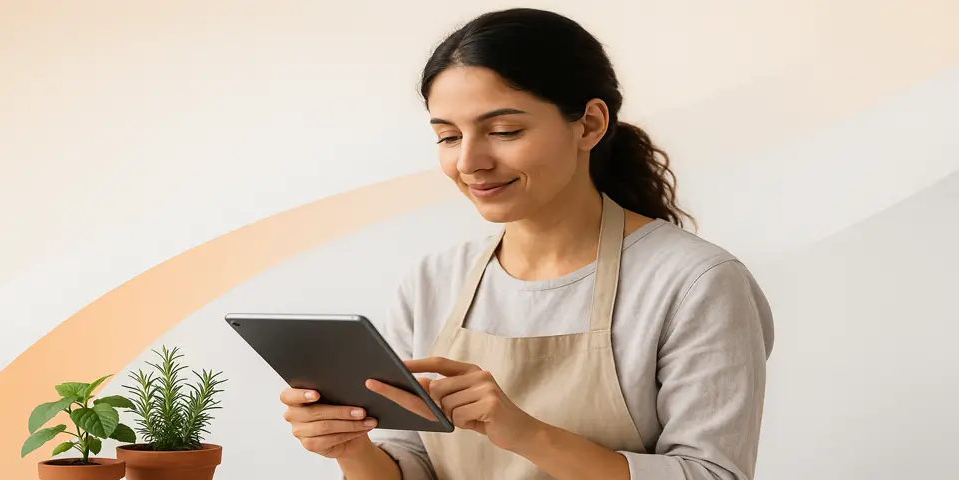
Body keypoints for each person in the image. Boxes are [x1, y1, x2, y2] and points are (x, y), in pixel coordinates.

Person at [279, 7, 774, 480]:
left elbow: (711, 473)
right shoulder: (434, 282)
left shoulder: (693, 283)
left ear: (590, 124)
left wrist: (525, 433)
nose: (470, 162)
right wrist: (351, 449)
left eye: (503, 130)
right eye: (448, 137)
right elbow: (416, 462)